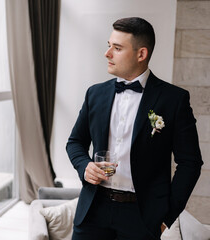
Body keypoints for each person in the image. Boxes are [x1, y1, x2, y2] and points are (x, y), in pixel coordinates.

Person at [66, 17, 203, 240]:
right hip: (93, 211)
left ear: (141, 54)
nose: (107, 53)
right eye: (108, 45)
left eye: (117, 48)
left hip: (142, 217)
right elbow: (75, 143)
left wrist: (166, 217)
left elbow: (190, 162)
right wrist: (84, 166)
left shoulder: (174, 100)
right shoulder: (95, 93)